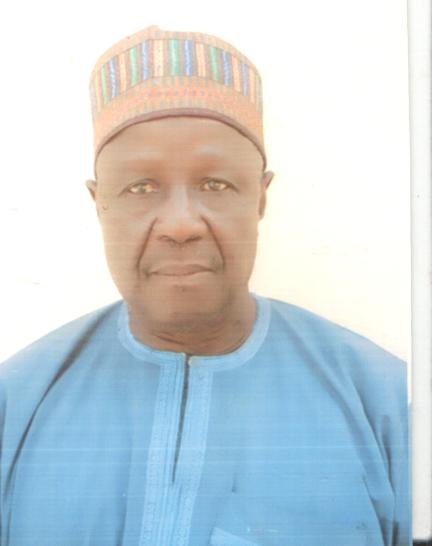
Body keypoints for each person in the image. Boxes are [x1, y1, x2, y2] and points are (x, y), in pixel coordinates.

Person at [0, 25, 410, 546]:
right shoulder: (15, 404)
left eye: (215, 184)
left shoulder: (390, 406)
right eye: (140, 188)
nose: (180, 224)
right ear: (99, 203)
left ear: (260, 198)